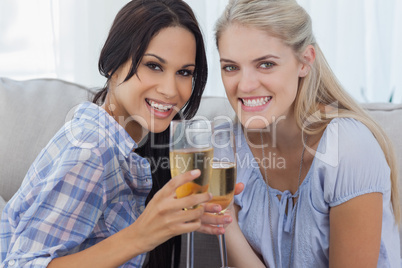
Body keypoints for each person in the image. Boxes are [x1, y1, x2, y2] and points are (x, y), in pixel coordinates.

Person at [0, 1, 236, 267]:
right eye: (154, 66)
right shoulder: (91, 150)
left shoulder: (145, 142)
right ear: (113, 62)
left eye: (184, 72)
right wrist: (140, 236)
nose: (171, 90)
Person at [214, 0, 401, 267]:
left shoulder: (346, 148)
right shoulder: (225, 148)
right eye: (230, 67)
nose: (244, 85)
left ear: (305, 61)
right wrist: (224, 221)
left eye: (266, 64)